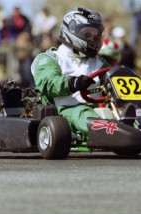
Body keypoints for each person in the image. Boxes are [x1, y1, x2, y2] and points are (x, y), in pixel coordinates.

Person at [31, 7, 109, 135]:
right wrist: (73, 83)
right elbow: (48, 83)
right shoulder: (51, 58)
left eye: (96, 35)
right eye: (88, 34)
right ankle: (107, 131)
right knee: (83, 114)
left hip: (100, 108)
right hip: (67, 111)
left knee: (127, 111)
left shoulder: (99, 62)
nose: (93, 40)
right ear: (72, 31)